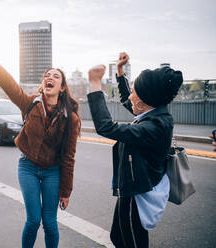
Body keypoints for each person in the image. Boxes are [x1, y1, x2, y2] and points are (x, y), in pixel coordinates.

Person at [0, 51, 80, 248]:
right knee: (34, 220)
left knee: (50, 223)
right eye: (46, 75)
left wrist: (66, 191)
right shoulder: (31, 104)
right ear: (42, 84)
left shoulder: (71, 119)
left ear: (62, 87)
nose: (49, 78)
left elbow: (69, 157)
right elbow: (10, 86)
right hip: (27, 167)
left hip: (52, 171)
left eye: (55, 76)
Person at [87, 53, 183, 248]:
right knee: (118, 238)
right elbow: (126, 100)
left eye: (134, 92)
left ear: (144, 100)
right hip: (133, 189)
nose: (130, 96)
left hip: (137, 196)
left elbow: (106, 127)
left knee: (132, 243)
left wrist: (95, 84)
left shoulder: (152, 127)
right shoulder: (154, 114)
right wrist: (120, 72)